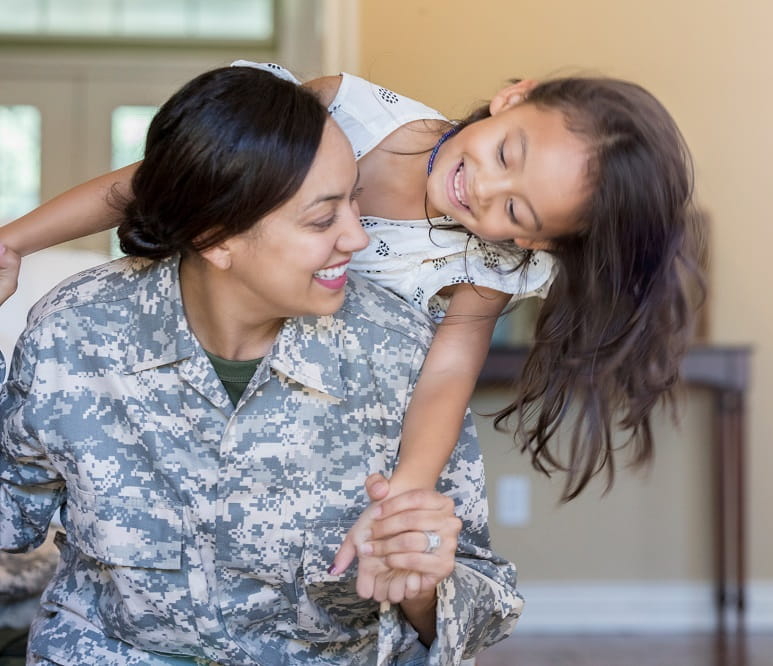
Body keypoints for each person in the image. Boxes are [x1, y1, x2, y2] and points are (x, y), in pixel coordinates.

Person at [0, 60, 703, 566]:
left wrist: (404, 496)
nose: (485, 188)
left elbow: (449, 371)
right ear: (511, 97)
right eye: (504, 153)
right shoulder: (351, 112)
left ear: (531, 243)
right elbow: (164, 184)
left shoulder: (491, 264)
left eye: (515, 212)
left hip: (317, 399)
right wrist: (15, 242)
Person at [0, 66, 521, 666]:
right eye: (323, 218)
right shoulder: (76, 329)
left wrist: (424, 582)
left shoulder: (402, 353)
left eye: (355, 200)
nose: (357, 237)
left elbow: (480, 604)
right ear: (215, 235)